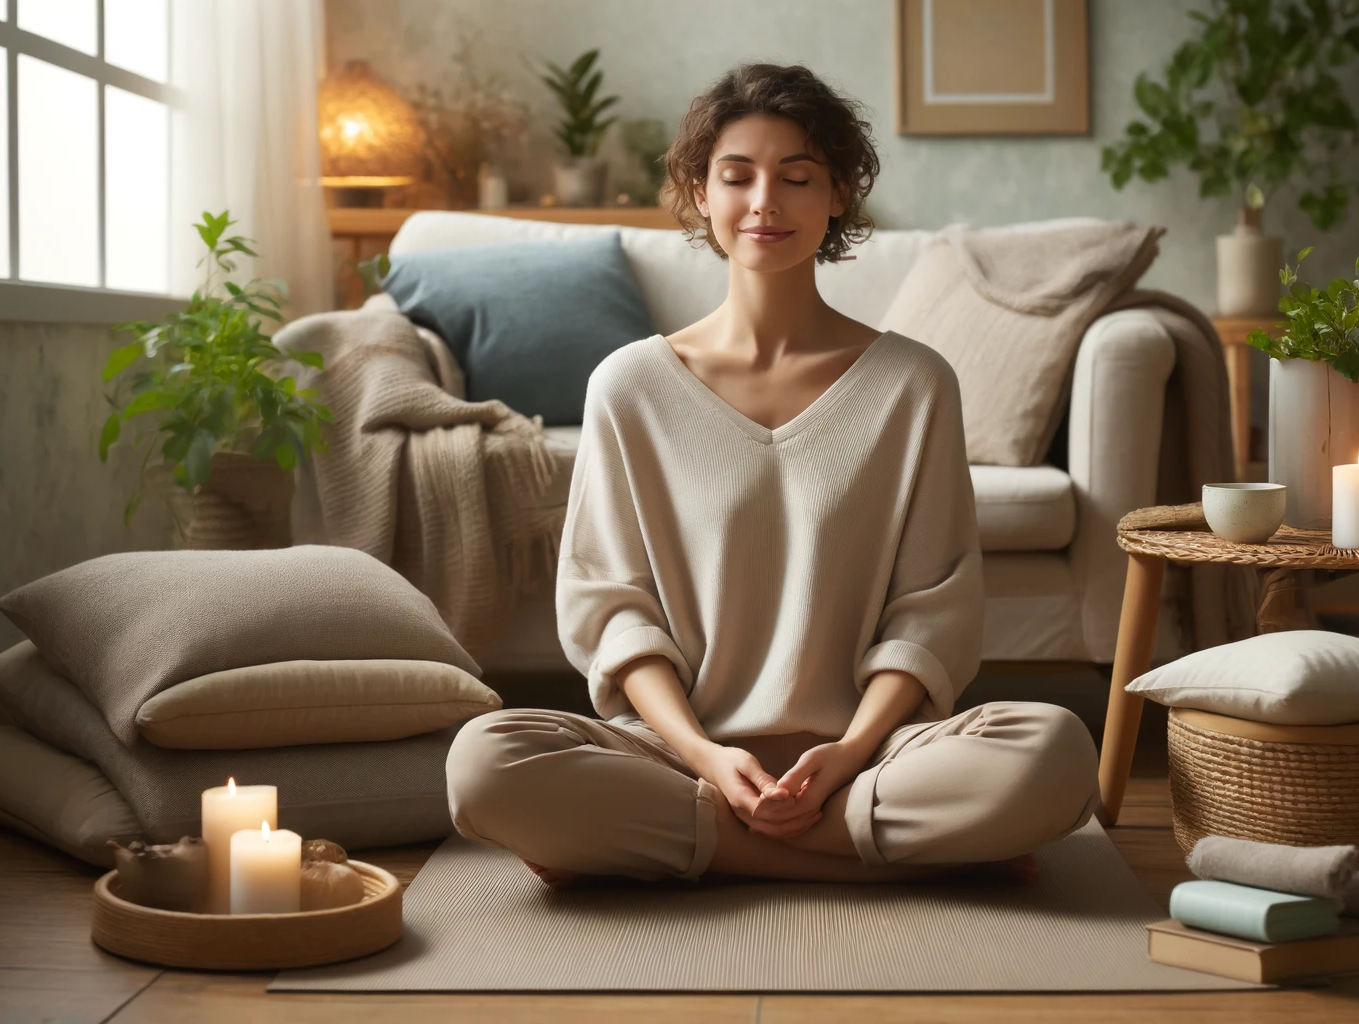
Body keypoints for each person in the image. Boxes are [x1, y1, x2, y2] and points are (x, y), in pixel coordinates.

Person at [446, 63, 1099, 888]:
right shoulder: (630, 385)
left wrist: (853, 750)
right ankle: (863, 858)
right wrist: (709, 759)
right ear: (697, 190)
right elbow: (614, 612)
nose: (765, 202)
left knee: (1056, 749)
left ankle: (697, 848)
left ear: (837, 198)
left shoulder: (913, 384)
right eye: (737, 175)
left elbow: (932, 611)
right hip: (679, 758)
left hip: (873, 757)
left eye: (797, 177)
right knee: (484, 762)